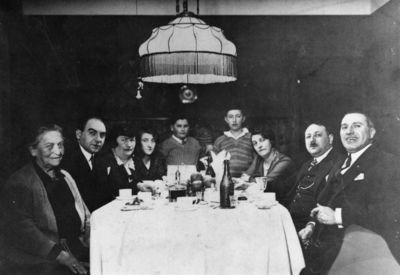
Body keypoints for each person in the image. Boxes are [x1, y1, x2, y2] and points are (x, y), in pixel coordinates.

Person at [299, 112, 400, 274]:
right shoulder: (342, 161)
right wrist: (311, 225)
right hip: (326, 243)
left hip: (361, 250)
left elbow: (389, 212)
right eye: (344, 127)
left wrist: (337, 216)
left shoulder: (388, 163)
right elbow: (323, 200)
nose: (349, 131)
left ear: (372, 133)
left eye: (357, 126)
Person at [0, 125, 89, 275]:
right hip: (42, 260)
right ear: (33, 150)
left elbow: (86, 214)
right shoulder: (20, 182)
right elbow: (23, 232)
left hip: (74, 248)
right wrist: (61, 256)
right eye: (49, 146)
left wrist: (90, 238)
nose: (58, 151)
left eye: (60, 145)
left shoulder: (66, 176)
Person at [289, 122, 344, 231]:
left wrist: (311, 224)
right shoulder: (307, 164)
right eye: (308, 137)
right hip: (291, 220)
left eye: (318, 135)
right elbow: (287, 188)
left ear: (330, 138)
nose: (312, 140)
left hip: (311, 227)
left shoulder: (339, 163)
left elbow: (331, 201)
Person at [241, 127, 296, 206]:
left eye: (262, 140)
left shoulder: (284, 161)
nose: (259, 146)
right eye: (255, 143)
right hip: (267, 203)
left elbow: (266, 181)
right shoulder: (259, 159)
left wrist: (249, 179)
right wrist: (248, 179)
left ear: (271, 140)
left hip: (285, 206)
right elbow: (245, 175)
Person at [61, 116, 106, 211]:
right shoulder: (67, 161)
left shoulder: (100, 158)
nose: (98, 139)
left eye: (102, 135)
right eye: (92, 133)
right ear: (78, 134)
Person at [93, 123, 139, 209]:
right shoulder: (103, 162)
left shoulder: (136, 161)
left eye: (132, 140)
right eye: (124, 140)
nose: (129, 145)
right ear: (114, 141)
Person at [213, 107, 254, 178]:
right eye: (231, 117)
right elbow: (215, 164)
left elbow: (258, 160)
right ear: (226, 119)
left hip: (248, 180)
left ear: (243, 119)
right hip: (226, 180)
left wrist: (246, 176)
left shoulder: (252, 137)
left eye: (238, 116)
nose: (234, 120)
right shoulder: (219, 140)